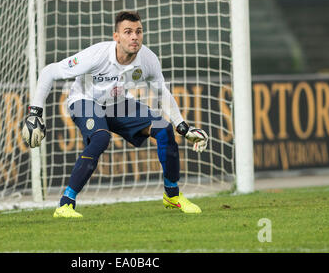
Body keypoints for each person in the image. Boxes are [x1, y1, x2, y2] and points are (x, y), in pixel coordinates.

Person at [22, 11, 209, 218]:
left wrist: (183, 126)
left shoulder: (148, 59)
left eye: (138, 32)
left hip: (117, 104)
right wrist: (35, 112)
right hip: (84, 101)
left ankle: (172, 196)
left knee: (164, 129)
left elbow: (161, 92)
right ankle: (65, 204)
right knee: (101, 137)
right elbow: (49, 71)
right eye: (128, 32)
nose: (134, 37)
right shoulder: (97, 55)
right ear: (116, 36)